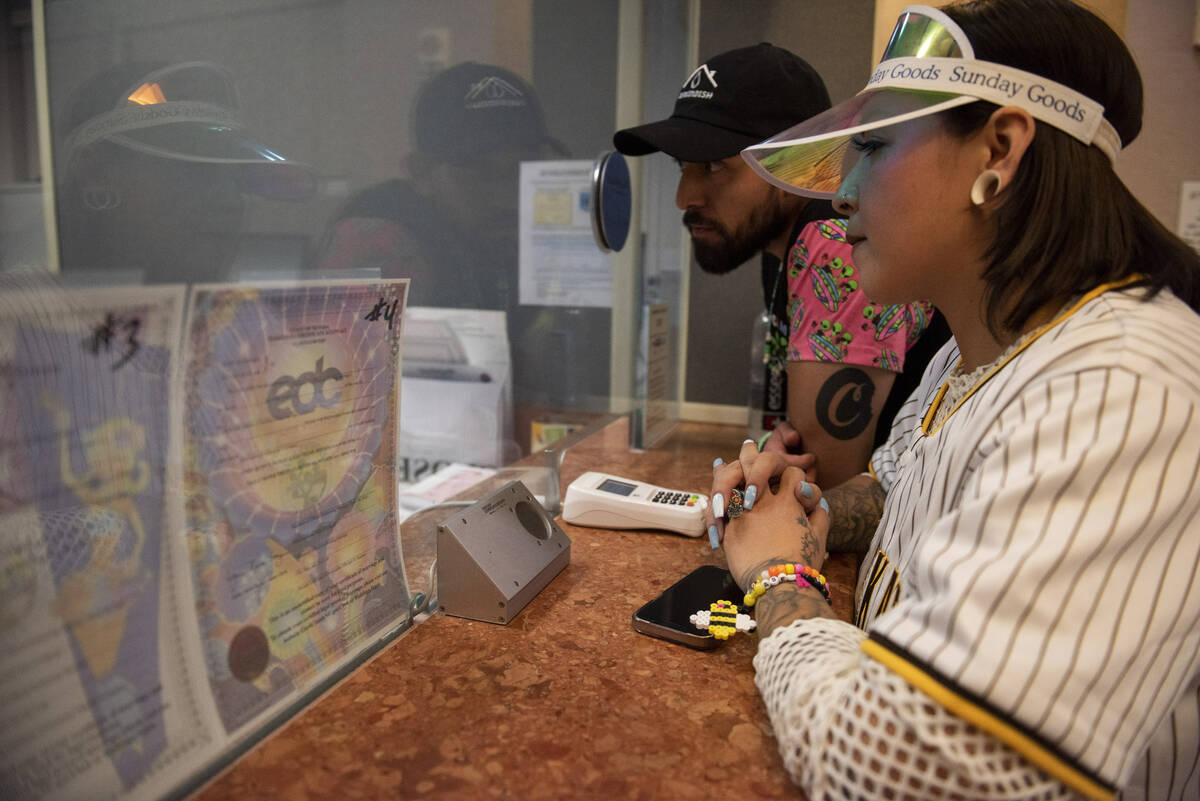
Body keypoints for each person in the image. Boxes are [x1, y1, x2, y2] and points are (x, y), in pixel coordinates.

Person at [709, 2, 1200, 799]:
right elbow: (905, 480)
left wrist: (777, 577)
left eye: (870, 147)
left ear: (1000, 149)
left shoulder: (1123, 391)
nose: (842, 196)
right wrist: (809, 509)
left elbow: (902, 769)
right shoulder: (977, 352)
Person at [614, 44, 948, 488]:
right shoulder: (783, 249)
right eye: (682, 166)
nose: (684, 198)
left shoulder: (832, 249)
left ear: (797, 164)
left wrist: (743, 488)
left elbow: (813, 489)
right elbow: (791, 460)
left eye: (715, 166)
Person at [315, 61, 608, 421]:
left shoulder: (511, 235)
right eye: (480, 175)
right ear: (421, 173)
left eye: (524, 170)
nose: (507, 198)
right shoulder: (381, 242)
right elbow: (341, 408)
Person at [56, 61, 315, 284]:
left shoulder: (245, 321)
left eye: (237, 179)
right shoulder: (26, 311)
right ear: (94, 171)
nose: (229, 201)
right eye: (191, 171)